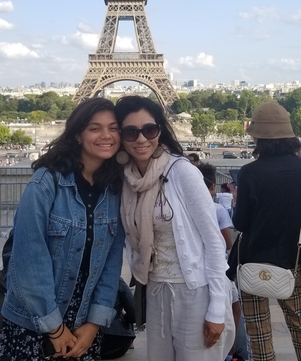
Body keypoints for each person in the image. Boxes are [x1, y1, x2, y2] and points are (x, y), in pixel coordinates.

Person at [0, 98, 125, 361]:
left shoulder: (114, 189)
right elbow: (29, 261)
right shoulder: (45, 183)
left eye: (114, 128)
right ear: (77, 134)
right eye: (95, 128)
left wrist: (94, 324)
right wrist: (54, 329)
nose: (107, 136)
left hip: (84, 323)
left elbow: (111, 264)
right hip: (35, 320)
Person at [115, 95, 235, 361]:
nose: (141, 139)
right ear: (121, 136)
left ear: (160, 130)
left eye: (149, 129)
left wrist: (216, 308)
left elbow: (214, 242)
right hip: (155, 291)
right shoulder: (126, 178)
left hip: (195, 292)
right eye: (131, 132)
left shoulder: (182, 172)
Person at [231, 102, 301, 361]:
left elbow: (240, 223)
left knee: (258, 330)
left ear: (257, 137)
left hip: (254, 258)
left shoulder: (250, 173)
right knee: (298, 322)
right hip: (294, 259)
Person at [198, 162, 244, 361]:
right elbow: (227, 242)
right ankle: (230, 353)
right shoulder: (217, 209)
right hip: (220, 269)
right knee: (233, 308)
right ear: (213, 188)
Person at [101, 277, 136, 360]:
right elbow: (134, 312)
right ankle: (131, 341)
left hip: (83, 346)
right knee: (127, 309)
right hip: (118, 345)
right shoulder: (116, 279)